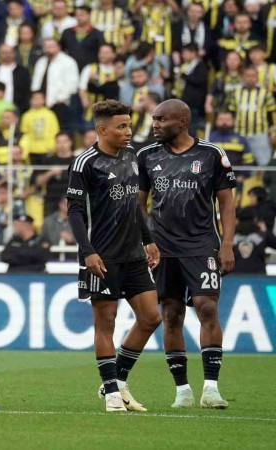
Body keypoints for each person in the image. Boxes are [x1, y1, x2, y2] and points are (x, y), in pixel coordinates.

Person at [137, 99, 237, 409]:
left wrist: (227, 244)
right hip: (162, 248)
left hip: (201, 244)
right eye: (154, 119)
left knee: (207, 307)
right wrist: (146, 240)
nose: (155, 124)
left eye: (161, 119)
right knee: (171, 314)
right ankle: (182, 390)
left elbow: (227, 202)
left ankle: (211, 388)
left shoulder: (211, 154)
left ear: (182, 122)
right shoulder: (146, 156)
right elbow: (138, 204)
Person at [66, 99, 162, 413]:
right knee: (106, 323)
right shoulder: (85, 163)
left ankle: (117, 381)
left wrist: (148, 240)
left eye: (129, 125)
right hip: (102, 256)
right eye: (121, 127)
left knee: (151, 317)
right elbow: (75, 212)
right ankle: (111, 394)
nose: (128, 132)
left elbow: (134, 204)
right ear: (102, 130)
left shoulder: (131, 156)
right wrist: (88, 252)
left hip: (133, 254)